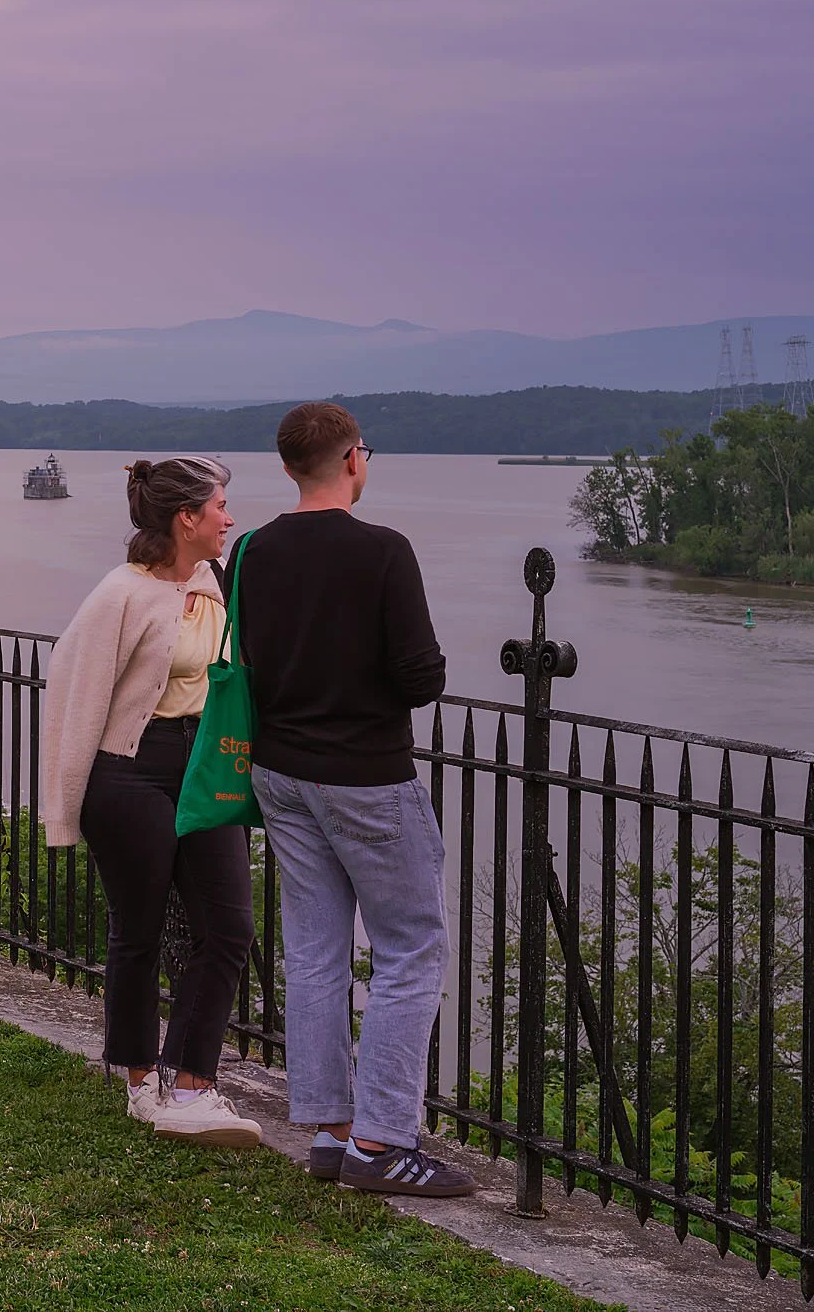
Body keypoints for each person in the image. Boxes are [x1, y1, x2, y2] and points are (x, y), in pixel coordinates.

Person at [238, 402, 467, 1197]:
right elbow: (420, 679)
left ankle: (331, 1130)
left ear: (289, 467)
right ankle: (380, 1141)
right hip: (366, 775)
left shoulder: (252, 549)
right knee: (410, 949)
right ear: (351, 461)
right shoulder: (383, 551)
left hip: (281, 772)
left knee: (314, 950)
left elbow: (254, 660)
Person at [40, 456, 262, 1149]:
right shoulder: (120, 594)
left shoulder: (215, 580)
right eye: (220, 506)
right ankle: (142, 1081)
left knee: (227, 928)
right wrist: (64, 810)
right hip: (131, 772)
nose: (229, 518)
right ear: (185, 517)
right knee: (135, 932)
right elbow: (75, 698)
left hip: (203, 771)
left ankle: (193, 1082)